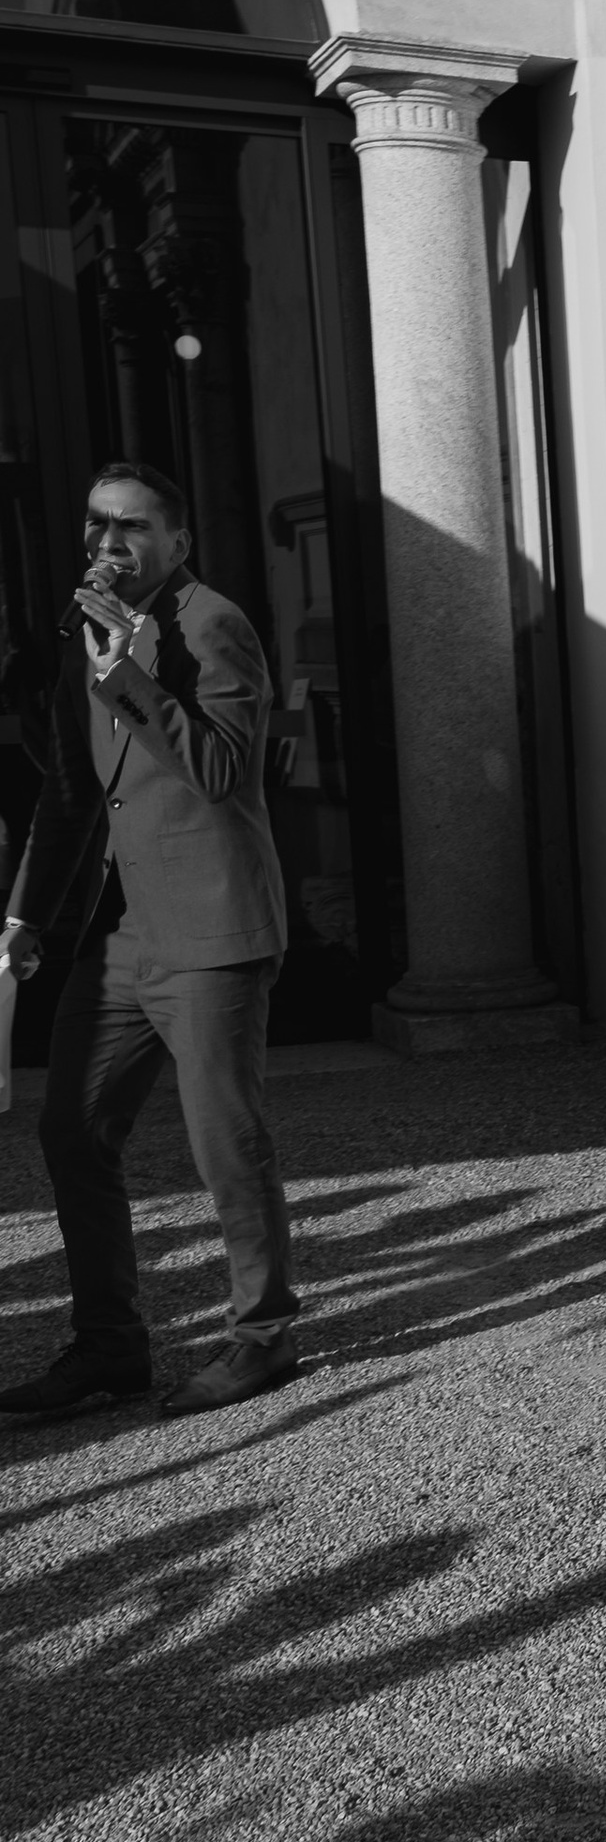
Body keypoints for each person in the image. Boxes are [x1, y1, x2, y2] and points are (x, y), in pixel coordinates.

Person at [1, 461, 300, 1422]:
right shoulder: (85, 630)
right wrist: (27, 919)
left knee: (227, 1144)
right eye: (96, 527)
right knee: (70, 1128)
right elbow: (71, 795)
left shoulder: (212, 623)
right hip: (124, 935)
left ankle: (263, 1339)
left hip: (214, 931)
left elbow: (220, 769)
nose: (106, 545)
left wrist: (123, 671)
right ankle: (110, 1349)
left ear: (176, 542)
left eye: (130, 528)